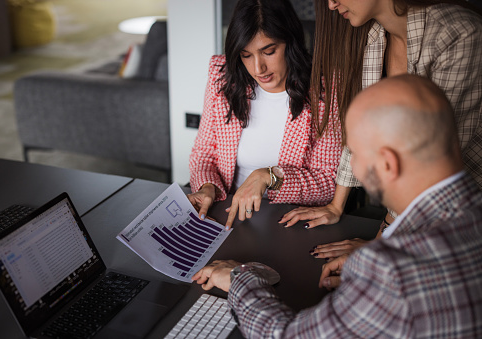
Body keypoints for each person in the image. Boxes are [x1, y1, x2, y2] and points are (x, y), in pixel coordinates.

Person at [192, 75, 482, 337]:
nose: (351, 164)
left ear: (386, 163)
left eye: (353, 151)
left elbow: (288, 335)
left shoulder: (392, 271)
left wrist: (239, 278)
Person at [280, 0, 482, 238]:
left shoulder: (459, 33)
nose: (332, 4)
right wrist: (336, 205)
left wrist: (381, 242)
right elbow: (363, 128)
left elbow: (428, 160)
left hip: (463, 215)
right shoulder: (377, 37)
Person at [188, 0, 342, 229]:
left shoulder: (326, 89)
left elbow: (329, 180)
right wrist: (208, 186)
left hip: (290, 220)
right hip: (227, 212)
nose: (258, 68)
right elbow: (203, 154)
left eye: (268, 51)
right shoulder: (223, 76)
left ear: (290, 42)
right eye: (246, 55)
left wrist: (270, 176)